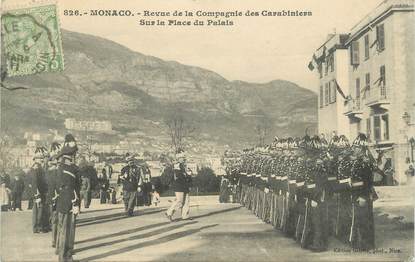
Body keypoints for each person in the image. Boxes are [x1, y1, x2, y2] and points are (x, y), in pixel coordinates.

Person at [55, 134, 81, 262]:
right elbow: (70, 187)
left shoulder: (62, 167)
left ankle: (65, 256)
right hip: (69, 202)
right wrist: (75, 202)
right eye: (74, 154)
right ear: (71, 154)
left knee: (65, 230)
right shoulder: (69, 168)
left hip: (64, 202)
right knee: (68, 232)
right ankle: (65, 257)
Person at [165, 151, 193, 221]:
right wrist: (187, 174)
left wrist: (188, 175)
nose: (184, 159)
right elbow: (179, 175)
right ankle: (169, 213)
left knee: (186, 201)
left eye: (184, 158)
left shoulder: (184, 166)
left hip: (185, 185)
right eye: (182, 158)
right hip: (179, 185)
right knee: (179, 201)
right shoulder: (177, 165)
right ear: (178, 158)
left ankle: (185, 215)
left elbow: (187, 175)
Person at [31, 146, 49, 233]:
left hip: (40, 192)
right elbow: (34, 182)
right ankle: (38, 227)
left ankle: (38, 227)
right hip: (38, 193)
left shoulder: (39, 168)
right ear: (35, 159)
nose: (41, 160)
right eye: (39, 158)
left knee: (38, 210)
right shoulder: (36, 168)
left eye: (41, 158)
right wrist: (37, 194)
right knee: (39, 210)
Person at [47, 142, 61, 248]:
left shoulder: (57, 172)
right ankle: (55, 240)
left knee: (57, 221)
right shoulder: (50, 173)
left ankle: (56, 240)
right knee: (56, 220)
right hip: (54, 198)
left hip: (58, 198)